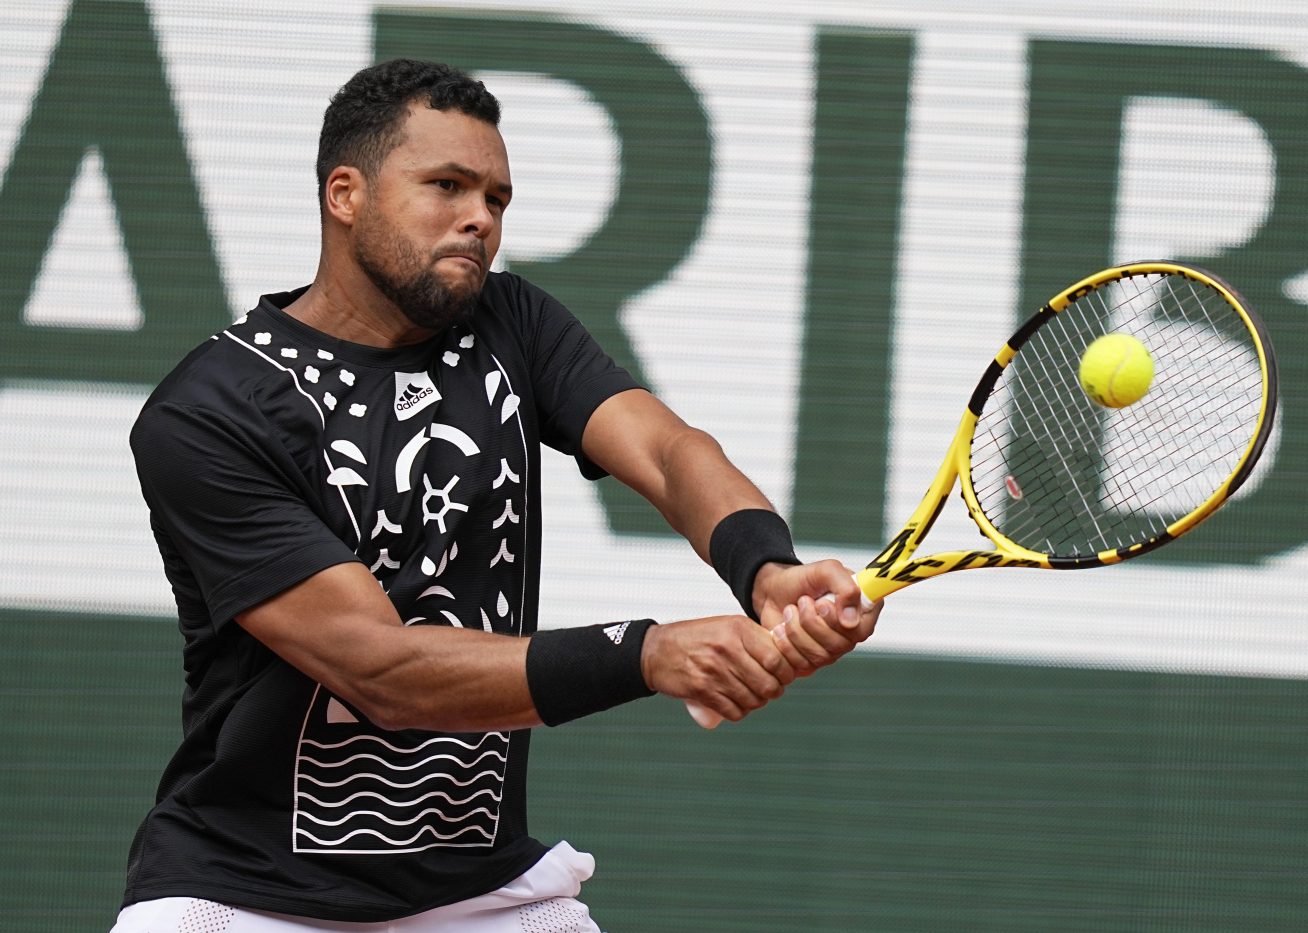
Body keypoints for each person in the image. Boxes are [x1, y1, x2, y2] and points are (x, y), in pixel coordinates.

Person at [111, 59, 881, 933]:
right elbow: (381, 669)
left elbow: (667, 451)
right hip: (240, 893)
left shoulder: (512, 323)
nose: (481, 218)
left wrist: (766, 568)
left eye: (497, 199)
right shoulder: (209, 412)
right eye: (447, 186)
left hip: (479, 896)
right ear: (344, 194)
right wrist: (649, 652)